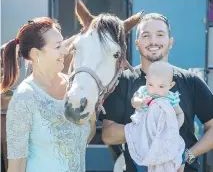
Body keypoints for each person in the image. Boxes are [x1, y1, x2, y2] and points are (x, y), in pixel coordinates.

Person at [100, 13, 213, 172]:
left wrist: (187, 155)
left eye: (160, 35)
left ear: (170, 42)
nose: (153, 41)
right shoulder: (122, 82)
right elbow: (108, 134)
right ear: (137, 44)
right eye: (146, 36)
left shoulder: (191, 81)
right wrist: (146, 128)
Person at [1, 17, 96, 172]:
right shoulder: (24, 98)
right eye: (58, 46)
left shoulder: (76, 87)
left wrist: (91, 117)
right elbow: (16, 166)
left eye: (63, 44)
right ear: (35, 54)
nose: (65, 51)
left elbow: (79, 140)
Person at [127, 61, 185, 172]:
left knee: (179, 150)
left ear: (170, 85)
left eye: (161, 86)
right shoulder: (144, 92)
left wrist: (175, 126)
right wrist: (141, 101)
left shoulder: (171, 97)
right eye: (150, 84)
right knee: (142, 155)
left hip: (165, 131)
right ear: (146, 79)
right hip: (144, 131)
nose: (155, 90)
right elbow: (133, 102)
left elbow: (180, 113)